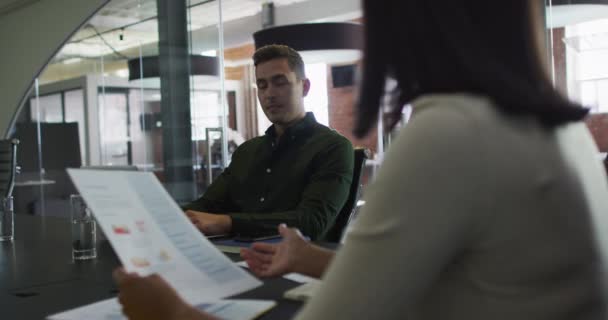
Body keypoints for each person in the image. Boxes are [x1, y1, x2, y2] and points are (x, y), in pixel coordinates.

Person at [113, 0, 608, 319]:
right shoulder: (559, 129)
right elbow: (471, 276)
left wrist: (170, 315)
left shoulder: (452, 132)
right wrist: (315, 259)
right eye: (259, 84)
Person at [182, 44, 354, 240]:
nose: (269, 94)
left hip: (295, 263)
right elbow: (207, 205)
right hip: (234, 255)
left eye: (280, 82)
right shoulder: (247, 151)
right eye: (262, 85)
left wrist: (228, 222)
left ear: (304, 87)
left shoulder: (332, 147)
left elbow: (311, 222)